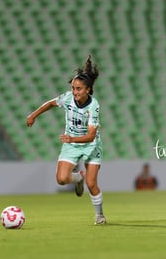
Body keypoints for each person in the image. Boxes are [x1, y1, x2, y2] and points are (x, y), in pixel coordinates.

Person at [26, 55, 106, 225]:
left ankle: (99, 216)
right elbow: (50, 103)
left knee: (92, 184)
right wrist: (33, 115)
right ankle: (78, 178)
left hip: (91, 145)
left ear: (88, 90)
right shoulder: (68, 98)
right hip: (72, 144)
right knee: (62, 179)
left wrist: (72, 137)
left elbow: (91, 135)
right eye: (73, 88)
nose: (75, 92)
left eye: (78, 89)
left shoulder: (94, 106)